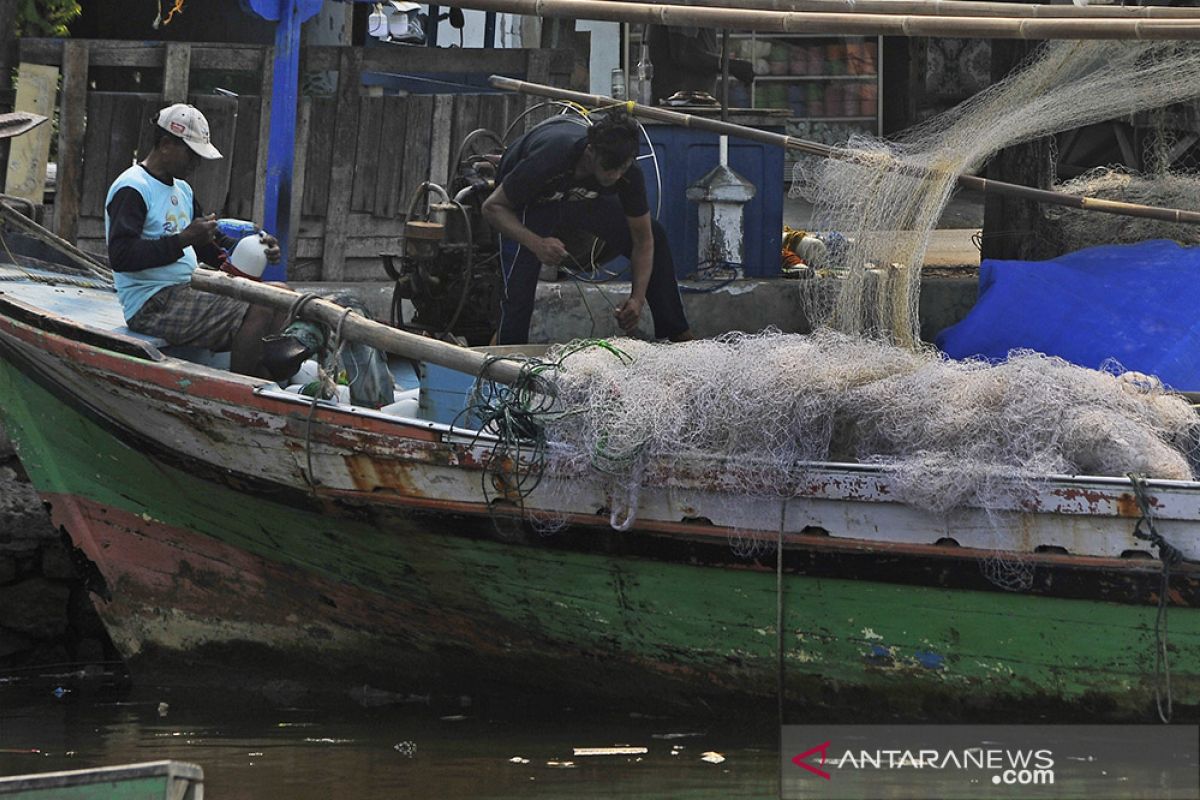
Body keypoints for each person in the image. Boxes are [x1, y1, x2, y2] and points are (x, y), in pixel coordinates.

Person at [481, 111, 693, 345]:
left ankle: (679, 335)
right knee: (520, 286)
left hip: (577, 199)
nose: (616, 175)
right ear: (591, 151)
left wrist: (637, 299)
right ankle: (508, 355)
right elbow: (492, 208)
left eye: (622, 168)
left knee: (656, 234)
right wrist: (537, 243)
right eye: (609, 168)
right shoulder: (550, 157)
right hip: (528, 201)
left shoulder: (625, 173)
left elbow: (644, 241)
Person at [104, 103, 286, 376]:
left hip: (188, 288)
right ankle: (244, 391)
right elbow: (121, 257)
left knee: (282, 295)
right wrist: (182, 239)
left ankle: (268, 373)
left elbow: (208, 245)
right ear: (166, 144)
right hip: (152, 303)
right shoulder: (133, 188)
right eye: (191, 155)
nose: (196, 164)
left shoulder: (183, 190)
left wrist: (256, 248)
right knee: (258, 308)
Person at [647, 25, 756, 106]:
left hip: (690, 102)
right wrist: (731, 66)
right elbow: (684, 54)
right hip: (680, 103)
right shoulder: (685, 4)